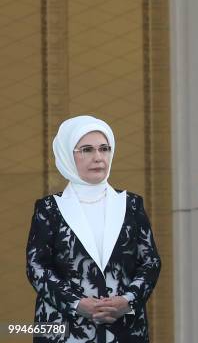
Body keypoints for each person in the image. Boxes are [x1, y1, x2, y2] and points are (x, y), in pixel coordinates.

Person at [26, 116, 161, 343]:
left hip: (124, 328)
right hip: (63, 329)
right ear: (68, 155)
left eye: (104, 149)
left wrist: (128, 301)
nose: (98, 157)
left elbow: (150, 262)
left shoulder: (131, 204)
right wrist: (77, 304)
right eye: (87, 150)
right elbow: (36, 267)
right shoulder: (49, 208)